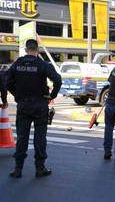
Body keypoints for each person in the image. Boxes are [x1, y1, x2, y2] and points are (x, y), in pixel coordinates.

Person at [6, 39, 62, 178]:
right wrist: (51, 96)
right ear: (37, 50)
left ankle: (18, 169)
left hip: (23, 105)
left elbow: (8, 82)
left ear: (26, 50)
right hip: (40, 105)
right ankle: (40, 168)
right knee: (40, 137)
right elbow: (58, 80)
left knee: (22, 137)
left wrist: (17, 95)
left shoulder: (17, 64)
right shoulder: (42, 64)